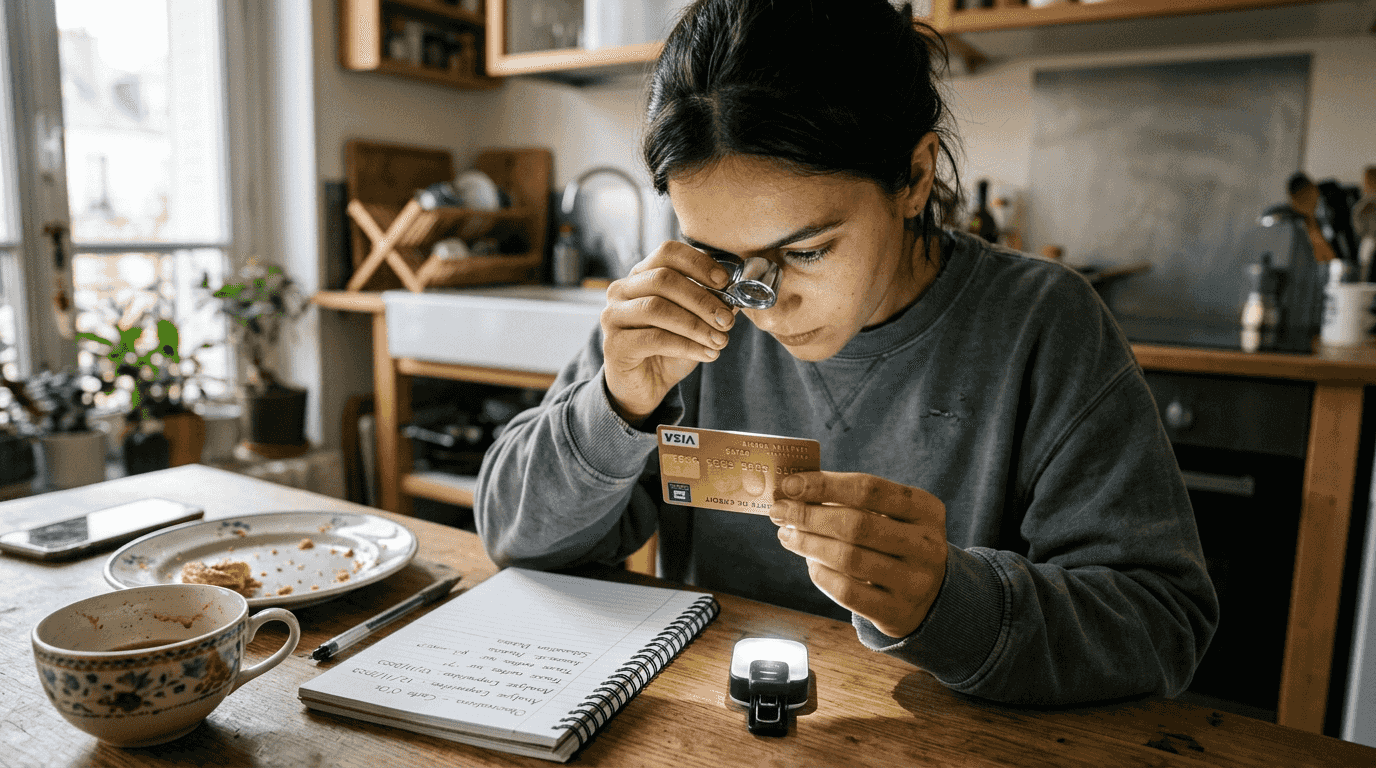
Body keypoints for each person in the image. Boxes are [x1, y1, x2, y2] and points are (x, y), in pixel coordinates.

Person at [475, 0, 1217, 706]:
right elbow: (514, 537)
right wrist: (615, 405)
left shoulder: (1043, 324)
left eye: (806, 250)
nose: (759, 303)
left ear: (915, 177)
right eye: (720, 254)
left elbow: (1162, 625)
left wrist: (949, 601)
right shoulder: (683, 313)